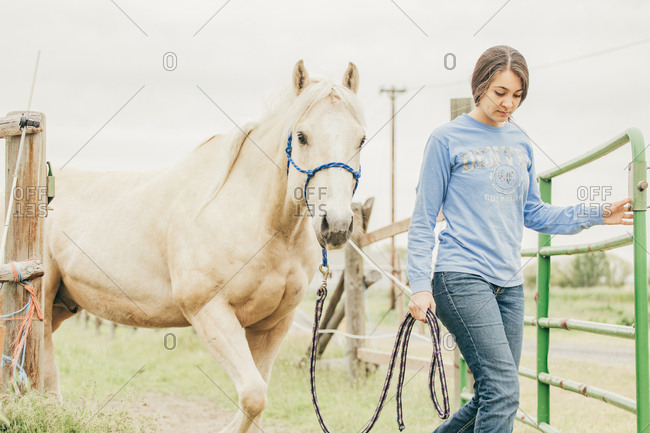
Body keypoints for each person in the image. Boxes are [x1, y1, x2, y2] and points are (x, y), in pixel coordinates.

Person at [406, 45, 633, 432]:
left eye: (517, 95)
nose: (508, 103)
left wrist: (597, 213)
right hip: (460, 278)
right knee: (504, 391)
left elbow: (536, 212)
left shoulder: (520, 142)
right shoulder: (446, 139)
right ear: (479, 85)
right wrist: (418, 286)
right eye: (500, 93)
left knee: (491, 394)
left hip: (509, 285)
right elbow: (424, 219)